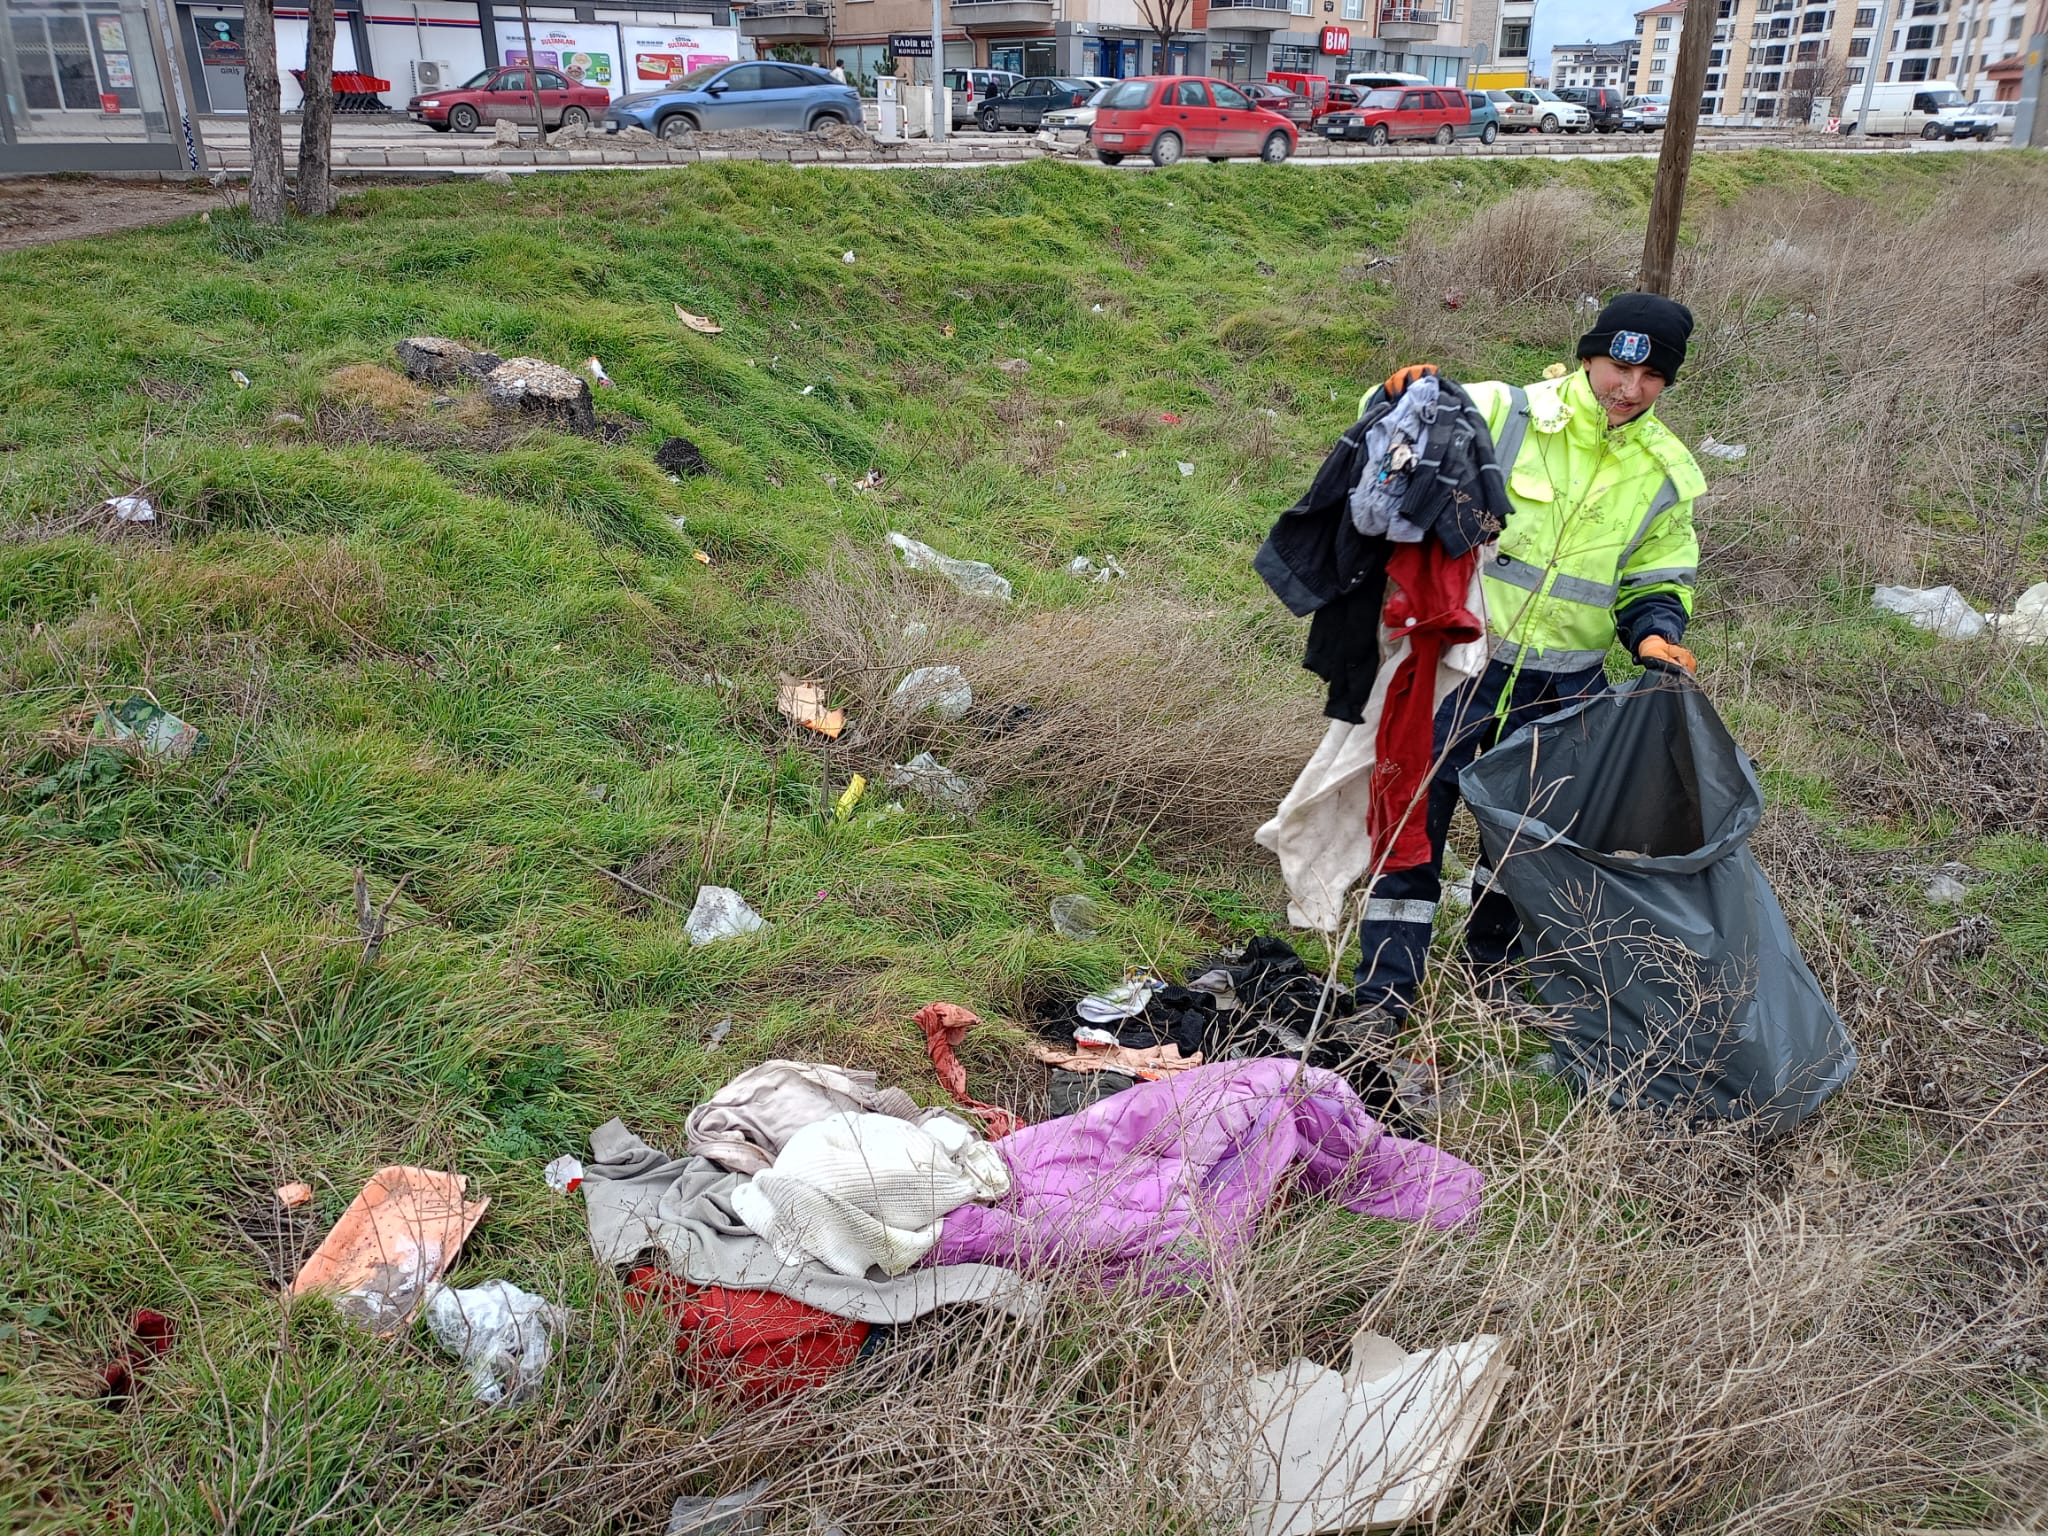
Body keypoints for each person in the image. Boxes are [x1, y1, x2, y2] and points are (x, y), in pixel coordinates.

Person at [1353, 292, 1708, 1023]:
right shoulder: (1505, 411)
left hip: (1563, 686)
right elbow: (1395, 428)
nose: (1628, 388)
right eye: (1617, 366)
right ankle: (1384, 995)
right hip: (1459, 666)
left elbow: (1657, 572)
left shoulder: (1667, 472)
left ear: (1667, 383)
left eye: (1649, 378)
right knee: (1413, 818)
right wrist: (1393, 391)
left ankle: (1494, 971)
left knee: (1529, 836)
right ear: (1591, 356)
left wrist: (1653, 630)